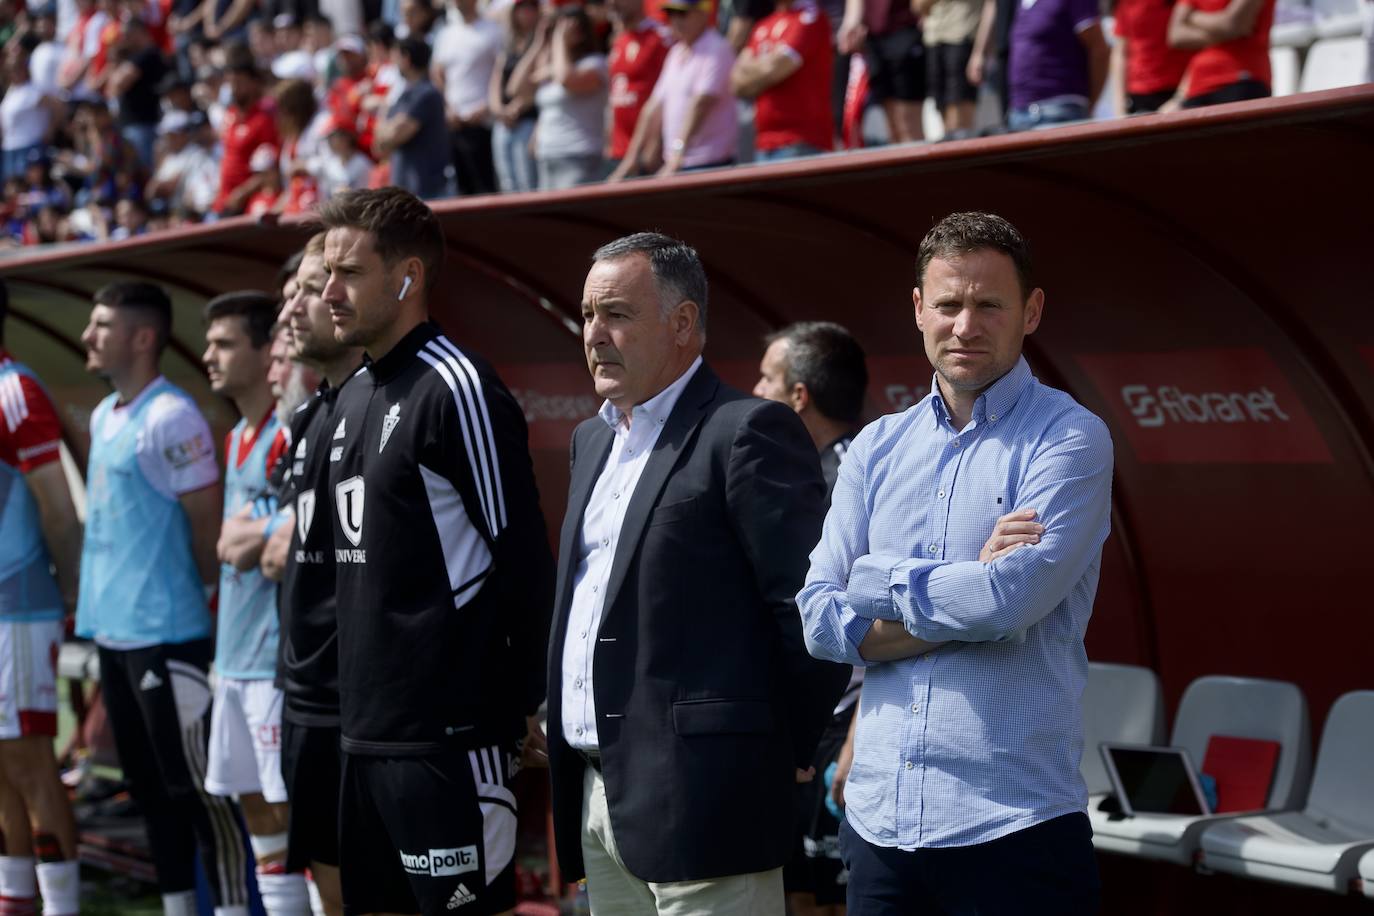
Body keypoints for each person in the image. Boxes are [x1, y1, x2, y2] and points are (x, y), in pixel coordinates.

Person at [798, 212, 1113, 915]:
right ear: (918, 309)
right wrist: (972, 591)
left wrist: (877, 581)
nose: (965, 325)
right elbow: (818, 618)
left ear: (1030, 311)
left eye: (988, 304)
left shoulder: (1070, 438)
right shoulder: (877, 447)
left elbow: (1010, 602)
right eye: (948, 304)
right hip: (879, 824)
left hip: (1014, 825)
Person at [547, 233, 849, 915]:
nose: (595, 334)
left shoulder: (748, 431)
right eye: (588, 315)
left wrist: (782, 748)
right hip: (600, 796)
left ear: (682, 324)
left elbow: (808, 614)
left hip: (709, 802)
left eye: (617, 314)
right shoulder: (590, 439)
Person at [318, 188, 555, 915]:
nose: (330, 291)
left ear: (408, 277)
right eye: (328, 271)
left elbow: (520, 556)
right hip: (363, 733)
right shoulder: (352, 392)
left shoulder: (458, 388)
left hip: (449, 737)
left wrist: (532, 703)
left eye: (350, 273)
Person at [75, 282, 251, 916]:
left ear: (142, 337)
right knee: (148, 790)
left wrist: (207, 600)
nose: (88, 337)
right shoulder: (105, 414)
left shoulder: (171, 416)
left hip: (168, 634)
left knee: (193, 792)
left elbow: (206, 527)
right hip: (115, 636)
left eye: (101, 325)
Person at [258, 234, 366, 916]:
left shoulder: (400, 400)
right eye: (291, 292)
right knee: (328, 884)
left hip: (372, 705)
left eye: (308, 289)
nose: (293, 308)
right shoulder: (307, 418)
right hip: (305, 692)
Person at [753, 320, 867, 916]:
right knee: (795, 894)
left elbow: (886, 613)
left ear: (799, 395)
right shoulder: (798, 473)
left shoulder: (856, 474)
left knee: (831, 902)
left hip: (843, 723)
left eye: (766, 378)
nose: (755, 390)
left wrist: (857, 735)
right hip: (798, 723)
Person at [200, 292, 308, 916]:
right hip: (232, 658)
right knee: (252, 803)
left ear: (266, 351)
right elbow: (230, 545)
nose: (211, 355)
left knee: (288, 806)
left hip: (275, 659)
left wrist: (250, 536)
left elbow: (251, 543)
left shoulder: (285, 433)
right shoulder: (239, 435)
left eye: (224, 344)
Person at [0, 282, 83, 916]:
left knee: (30, 765)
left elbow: (58, 508)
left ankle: (59, 907)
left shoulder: (16, 389)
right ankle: (17, 900)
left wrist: (75, 595)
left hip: (17, 610)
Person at [610, 0, 737, 179]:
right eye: (671, 14)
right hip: (679, 164)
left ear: (702, 15)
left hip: (710, 165)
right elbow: (654, 108)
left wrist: (677, 154)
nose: (675, 20)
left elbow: (701, 103)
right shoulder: (676, 52)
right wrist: (630, 160)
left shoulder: (717, 48)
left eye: (682, 14)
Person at [507, 6, 609, 190]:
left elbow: (565, 79)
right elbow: (516, 88)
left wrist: (560, 40)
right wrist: (539, 43)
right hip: (547, 156)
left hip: (579, 156)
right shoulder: (551, 69)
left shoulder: (595, 63)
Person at [730, 0, 835, 161]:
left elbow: (776, 68)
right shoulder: (763, 25)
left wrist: (756, 69)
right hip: (763, 144)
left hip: (802, 142)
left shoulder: (810, 17)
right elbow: (737, 82)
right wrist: (767, 69)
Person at [431, 0, 502, 195]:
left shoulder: (493, 31)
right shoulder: (445, 34)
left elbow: (501, 71)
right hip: (454, 125)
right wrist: (447, 109)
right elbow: (437, 75)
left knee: (487, 189)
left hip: (484, 123)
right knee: (462, 190)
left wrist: (487, 106)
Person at [1004, 0, 1108, 129]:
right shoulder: (1021, 4)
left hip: (1060, 112)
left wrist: (1090, 103)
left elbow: (1099, 50)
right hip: (1019, 114)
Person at [837, 0, 924, 143]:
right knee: (892, 127)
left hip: (905, 29)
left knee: (907, 123)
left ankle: (920, 165)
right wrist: (852, 21)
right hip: (874, 36)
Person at [375, 37, 450, 200]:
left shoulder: (426, 94)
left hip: (428, 192)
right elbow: (379, 147)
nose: (393, 62)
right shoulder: (403, 96)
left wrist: (386, 128)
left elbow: (395, 134)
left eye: (396, 56)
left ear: (406, 58)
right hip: (406, 193)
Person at [1166, 0, 1273, 108]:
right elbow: (1176, 36)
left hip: (1243, 79)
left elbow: (1232, 24)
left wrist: (1192, 17)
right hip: (1196, 87)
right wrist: (1222, 31)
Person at [214, 45, 281, 216]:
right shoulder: (230, 115)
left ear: (254, 83)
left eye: (239, 82)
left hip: (247, 204)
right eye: (231, 83)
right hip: (224, 201)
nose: (234, 88)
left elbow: (271, 166)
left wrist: (243, 193)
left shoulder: (264, 119)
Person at [605, 0, 670, 174]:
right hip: (618, 151)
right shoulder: (619, 40)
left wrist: (656, 143)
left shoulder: (660, 37)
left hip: (645, 155)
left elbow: (668, 96)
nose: (612, 3)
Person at [488, 0, 541, 192]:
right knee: (507, 183)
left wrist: (516, 108)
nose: (525, 14)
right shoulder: (509, 44)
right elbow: (496, 80)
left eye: (530, 8)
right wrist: (498, 110)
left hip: (527, 120)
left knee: (527, 183)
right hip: (503, 122)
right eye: (521, 9)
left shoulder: (541, 44)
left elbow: (532, 85)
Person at [1111, 0, 1191, 114]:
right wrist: (1119, 107)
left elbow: (1199, 49)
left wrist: (1180, 98)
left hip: (1177, 92)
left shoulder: (1182, 3)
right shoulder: (1127, 3)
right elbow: (1120, 53)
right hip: (1138, 96)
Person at [915, 0, 981, 137]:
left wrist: (980, 52)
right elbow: (917, 5)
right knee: (942, 113)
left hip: (962, 35)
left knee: (960, 122)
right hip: (933, 38)